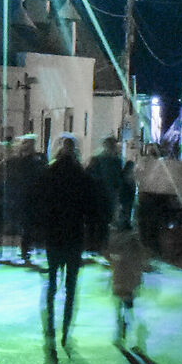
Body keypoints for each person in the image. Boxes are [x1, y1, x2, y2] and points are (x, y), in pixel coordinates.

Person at [34, 136, 109, 342]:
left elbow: (38, 203)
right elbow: (92, 208)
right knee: (71, 284)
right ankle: (66, 328)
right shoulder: (81, 175)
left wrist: (39, 229)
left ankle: (49, 324)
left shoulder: (49, 173)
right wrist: (94, 235)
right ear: (74, 151)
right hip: (74, 235)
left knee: (51, 281)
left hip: (54, 234)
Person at [0, 135, 44, 263]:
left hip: (29, 197)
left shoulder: (35, 161)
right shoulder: (20, 161)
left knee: (27, 225)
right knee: (23, 224)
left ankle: (25, 249)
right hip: (21, 197)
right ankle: (23, 248)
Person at [108, 228, 152, 347]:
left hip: (122, 283)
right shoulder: (135, 251)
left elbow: (114, 264)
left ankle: (121, 329)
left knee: (121, 306)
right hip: (128, 284)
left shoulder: (120, 254)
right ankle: (124, 329)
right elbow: (140, 266)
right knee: (126, 306)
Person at [86, 135, 129, 236]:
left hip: (108, 191)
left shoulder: (115, 160)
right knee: (105, 213)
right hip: (104, 191)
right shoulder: (106, 160)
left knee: (107, 213)